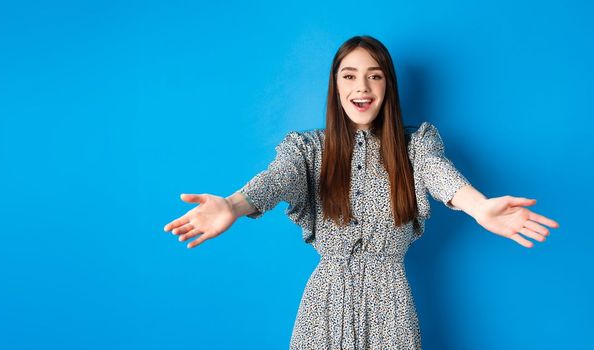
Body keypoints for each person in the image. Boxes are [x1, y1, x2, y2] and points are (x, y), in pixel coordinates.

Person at [161, 35, 560, 349]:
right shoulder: (308, 149)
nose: (362, 86)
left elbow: (439, 175)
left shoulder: (416, 145)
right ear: (335, 86)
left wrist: (479, 207)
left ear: (388, 84)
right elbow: (278, 177)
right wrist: (233, 204)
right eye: (349, 75)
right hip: (325, 306)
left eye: (374, 74)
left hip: (392, 306)